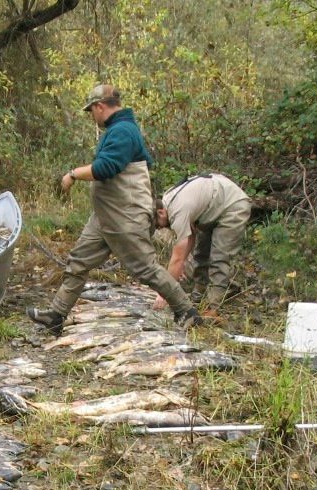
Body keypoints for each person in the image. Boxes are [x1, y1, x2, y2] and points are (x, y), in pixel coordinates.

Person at [28, 84, 201, 336]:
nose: (92, 117)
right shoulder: (119, 130)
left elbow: (105, 168)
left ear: (100, 106)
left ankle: (187, 312)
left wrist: (72, 174)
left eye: (91, 111)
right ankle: (56, 314)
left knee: (145, 268)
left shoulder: (123, 131)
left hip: (126, 214)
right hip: (105, 216)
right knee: (78, 262)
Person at [154, 173, 251, 313]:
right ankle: (198, 298)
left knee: (219, 258)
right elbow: (191, 236)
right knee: (201, 254)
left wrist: (163, 295)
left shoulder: (178, 210)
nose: (160, 228)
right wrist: (181, 264)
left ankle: (213, 309)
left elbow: (177, 259)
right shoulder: (168, 199)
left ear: (161, 212)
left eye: (158, 225)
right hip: (213, 206)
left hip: (232, 205)